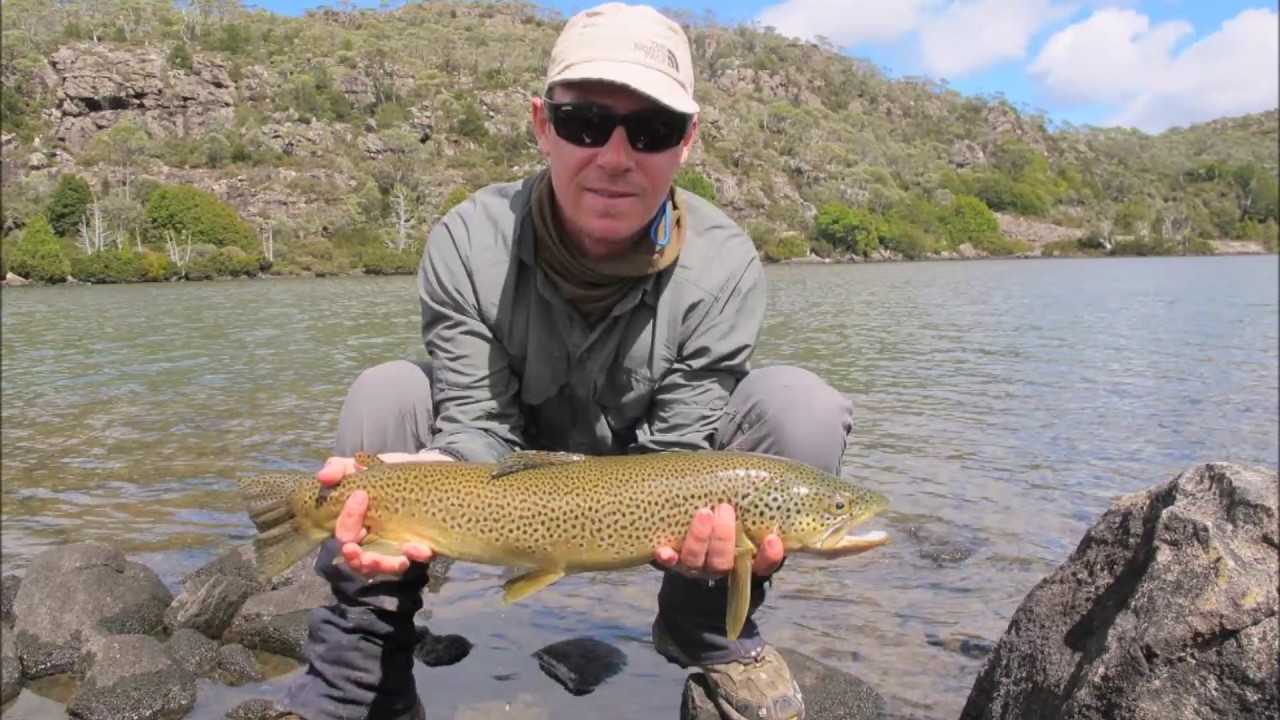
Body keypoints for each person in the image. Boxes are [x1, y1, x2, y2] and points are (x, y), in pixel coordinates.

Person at [277, 3, 854, 720]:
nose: (615, 156)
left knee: (802, 408)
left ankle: (704, 630)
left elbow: (679, 448)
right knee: (386, 394)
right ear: (541, 123)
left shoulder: (727, 261)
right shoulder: (466, 240)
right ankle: (359, 673)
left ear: (687, 142)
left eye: (651, 130)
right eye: (585, 121)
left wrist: (708, 538)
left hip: (648, 473)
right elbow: (474, 422)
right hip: (504, 469)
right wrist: (424, 482)